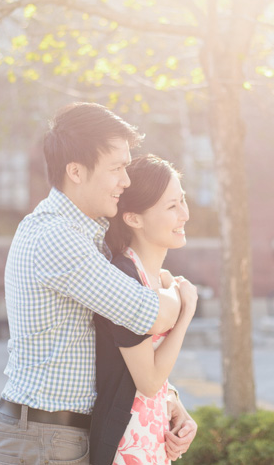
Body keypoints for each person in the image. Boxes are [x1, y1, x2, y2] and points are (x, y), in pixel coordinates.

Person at [0, 102, 197, 465]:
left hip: (55, 433)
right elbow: (147, 315)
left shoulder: (90, 235)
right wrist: (182, 296)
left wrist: (170, 398)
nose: (126, 180)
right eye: (116, 168)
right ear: (76, 171)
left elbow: (117, 349)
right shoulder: (57, 238)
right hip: (44, 437)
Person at [90, 155, 198, 465]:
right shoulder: (124, 279)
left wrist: (176, 408)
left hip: (151, 439)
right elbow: (147, 380)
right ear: (134, 218)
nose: (185, 214)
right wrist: (186, 313)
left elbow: (157, 384)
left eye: (183, 201)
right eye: (171, 206)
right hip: (123, 446)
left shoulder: (159, 280)